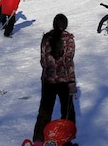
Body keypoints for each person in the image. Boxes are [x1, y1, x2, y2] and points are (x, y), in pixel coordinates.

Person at [32, 14, 76, 143]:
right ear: (65, 24)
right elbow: (69, 62)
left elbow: (43, 61)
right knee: (67, 111)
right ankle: (66, 139)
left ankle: (38, 141)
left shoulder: (46, 38)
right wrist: (72, 86)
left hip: (48, 80)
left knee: (45, 111)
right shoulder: (68, 38)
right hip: (64, 80)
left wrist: (49, 70)